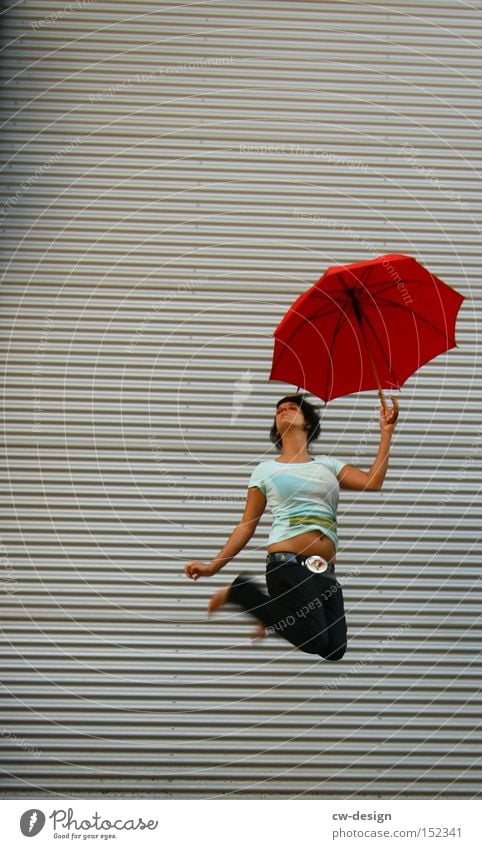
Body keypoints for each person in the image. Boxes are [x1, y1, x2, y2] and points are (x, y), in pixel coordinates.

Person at [184, 393, 398, 660]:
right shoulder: (265, 470)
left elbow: (373, 481)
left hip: (324, 571)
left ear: (307, 422)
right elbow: (246, 525)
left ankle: (266, 609)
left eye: (292, 407)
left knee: (334, 649)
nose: (283, 410)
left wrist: (386, 431)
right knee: (317, 639)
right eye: (279, 410)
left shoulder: (327, 465)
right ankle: (243, 592)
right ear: (276, 426)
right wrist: (213, 566)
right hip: (287, 565)